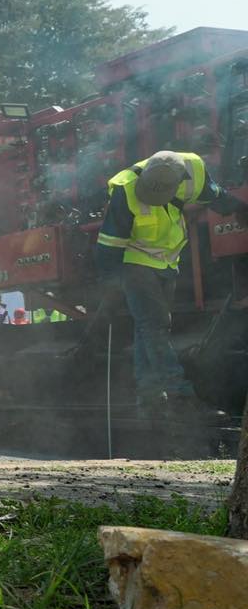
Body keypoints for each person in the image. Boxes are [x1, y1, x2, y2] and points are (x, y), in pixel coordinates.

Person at [96, 149, 248, 416]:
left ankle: (147, 396)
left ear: (180, 181)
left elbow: (215, 196)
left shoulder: (194, 171)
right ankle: (179, 393)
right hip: (135, 263)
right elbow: (109, 245)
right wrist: (110, 284)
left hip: (167, 263)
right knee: (155, 325)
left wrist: (239, 208)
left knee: (147, 327)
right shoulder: (125, 189)